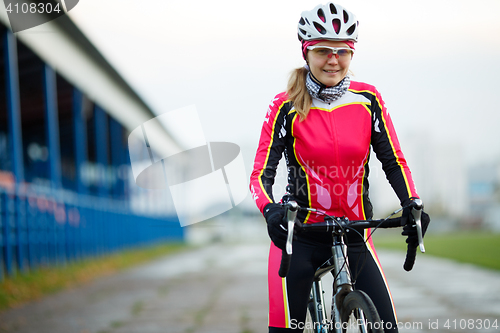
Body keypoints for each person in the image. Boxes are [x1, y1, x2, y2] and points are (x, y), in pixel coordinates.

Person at [249, 2, 430, 332]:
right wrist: (270, 210)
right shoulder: (284, 105)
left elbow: (393, 160)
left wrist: (411, 203)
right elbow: (261, 174)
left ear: (352, 53)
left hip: (354, 232)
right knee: (284, 328)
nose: (333, 59)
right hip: (299, 234)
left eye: (342, 51)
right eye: (322, 50)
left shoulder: (368, 100)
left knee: (387, 326)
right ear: (306, 53)